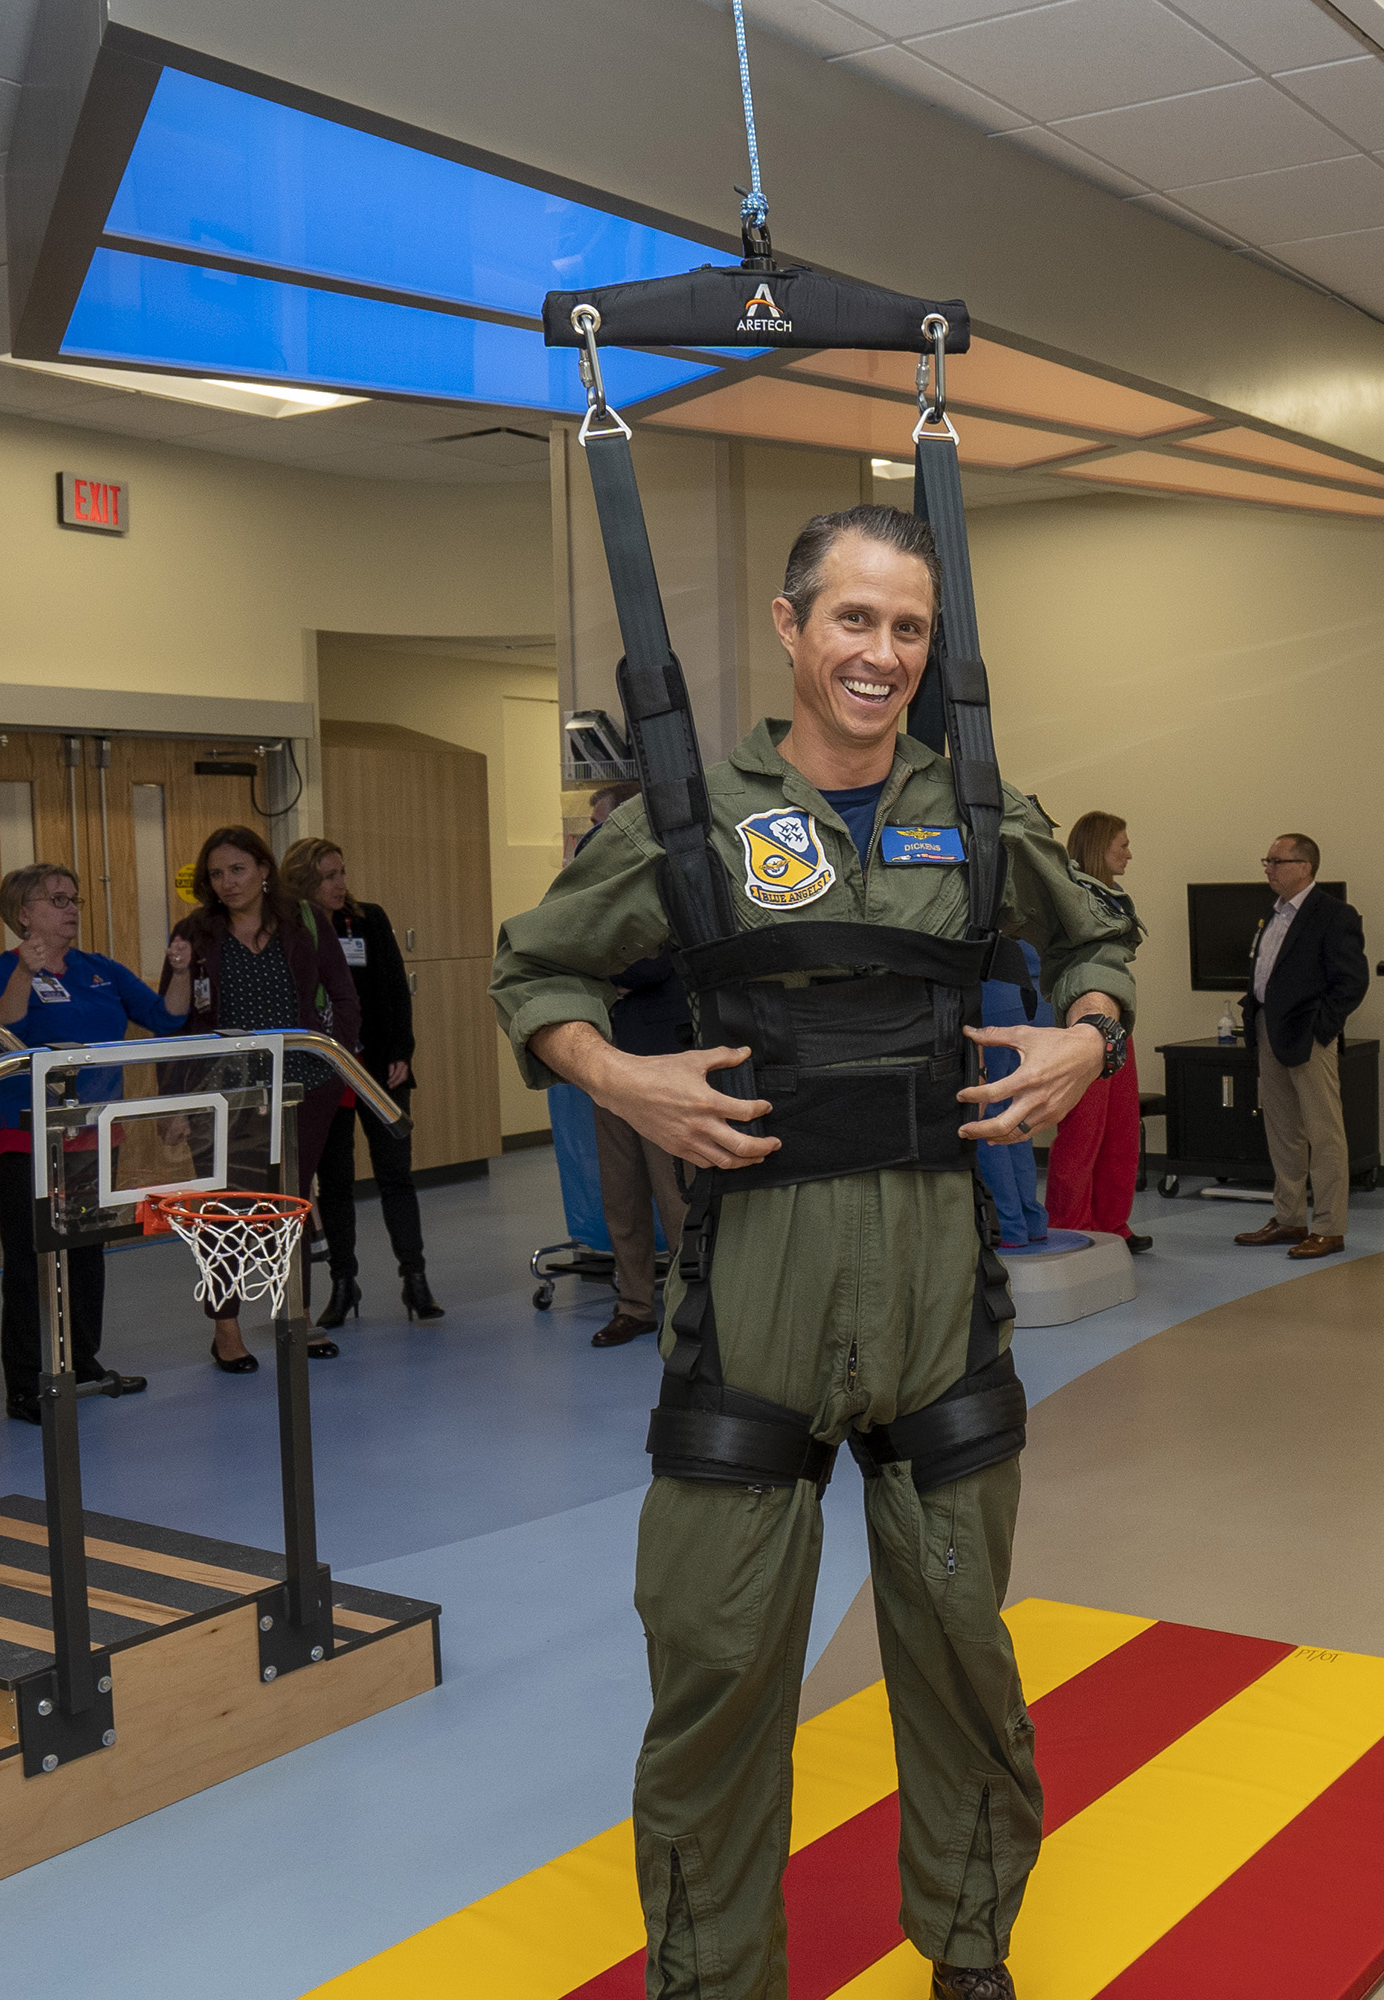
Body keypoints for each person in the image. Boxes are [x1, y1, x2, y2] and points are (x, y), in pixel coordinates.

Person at [491, 503, 1137, 2000]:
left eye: (909, 629)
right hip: (754, 1302)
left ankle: (970, 1958)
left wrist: (1085, 1043)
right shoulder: (685, 814)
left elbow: (1104, 941)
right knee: (714, 1672)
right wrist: (618, 1078)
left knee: (965, 1662)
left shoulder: (980, 810)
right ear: (792, 630)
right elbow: (536, 969)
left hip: (935, 1295)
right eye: (855, 621)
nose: (882, 655)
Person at [0, 862, 177, 1421]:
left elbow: (164, 1017)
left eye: (75, 899)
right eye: (57, 899)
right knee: (30, 1257)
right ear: (24, 914)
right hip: (26, 1134)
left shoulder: (100, 970)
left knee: (87, 1253)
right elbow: (3, 1034)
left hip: (93, 1130)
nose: (71, 908)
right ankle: (24, 1383)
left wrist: (180, 969)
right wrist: (25, 971)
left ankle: (83, 1362)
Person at [165, 825, 364, 1374]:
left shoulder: (304, 921)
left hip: (303, 1085)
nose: (226, 883)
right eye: (215, 874)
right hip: (221, 1094)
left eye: (236, 869)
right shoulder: (196, 932)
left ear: (263, 869)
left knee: (291, 1204)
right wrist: (175, 1102)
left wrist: (337, 1059)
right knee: (224, 1210)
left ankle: (294, 1314)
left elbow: (343, 996)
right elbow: (175, 1022)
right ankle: (225, 1328)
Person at [283, 838, 443, 1327]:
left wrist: (402, 1051)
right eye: (329, 876)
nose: (340, 884)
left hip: (378, 1068)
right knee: (335, 1183)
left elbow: (394, 988)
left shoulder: (367, 919)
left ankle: (415, 1279)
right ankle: (343, 1282)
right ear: (306, 881)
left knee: (396, 1174)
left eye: (342, 873)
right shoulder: (292, 930)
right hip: (325, 1071)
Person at [587, 783, 694, 1351]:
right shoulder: (603, 891)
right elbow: (578, 954)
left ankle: (691, 1307)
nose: (596, 838)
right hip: (609, 1060)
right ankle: (634, 1304)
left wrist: (608, 973)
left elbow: (655, 965)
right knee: (620, 1193)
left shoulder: (676, 877)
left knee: (676, 1197)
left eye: (604, 824)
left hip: (665, 1062)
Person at [1235, 832, 1364, 1260]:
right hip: (1268, 1030)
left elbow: (1351, 982)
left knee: (1324, 1134)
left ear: (1305, 867)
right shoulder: (1271, 914)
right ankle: (1289, 1218)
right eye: (1267, 860)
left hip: (1308, 1037)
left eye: (1276, 861)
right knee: (1283, 1132)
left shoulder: (1334, 915)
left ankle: (1330, 1226)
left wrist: (1321, 1029)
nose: (1268, 868)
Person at [1044, 812, 1148, 1252]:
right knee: (1082, 1131)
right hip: (1080, 1027)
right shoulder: (1069, 897)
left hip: (1116, 1023)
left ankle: (1112, 1223)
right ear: (1098, 846)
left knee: (1120, 1130)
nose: (1129, 853)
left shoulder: (1114, 897)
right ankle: (1072, 1223)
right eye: (1121, 844)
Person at [974, 942, 1052, 1249]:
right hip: (1036, 1004)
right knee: (1020, 1116)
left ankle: (1009, 1227)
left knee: (989, 1117)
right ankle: (1033, 1221)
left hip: (995, 1001)